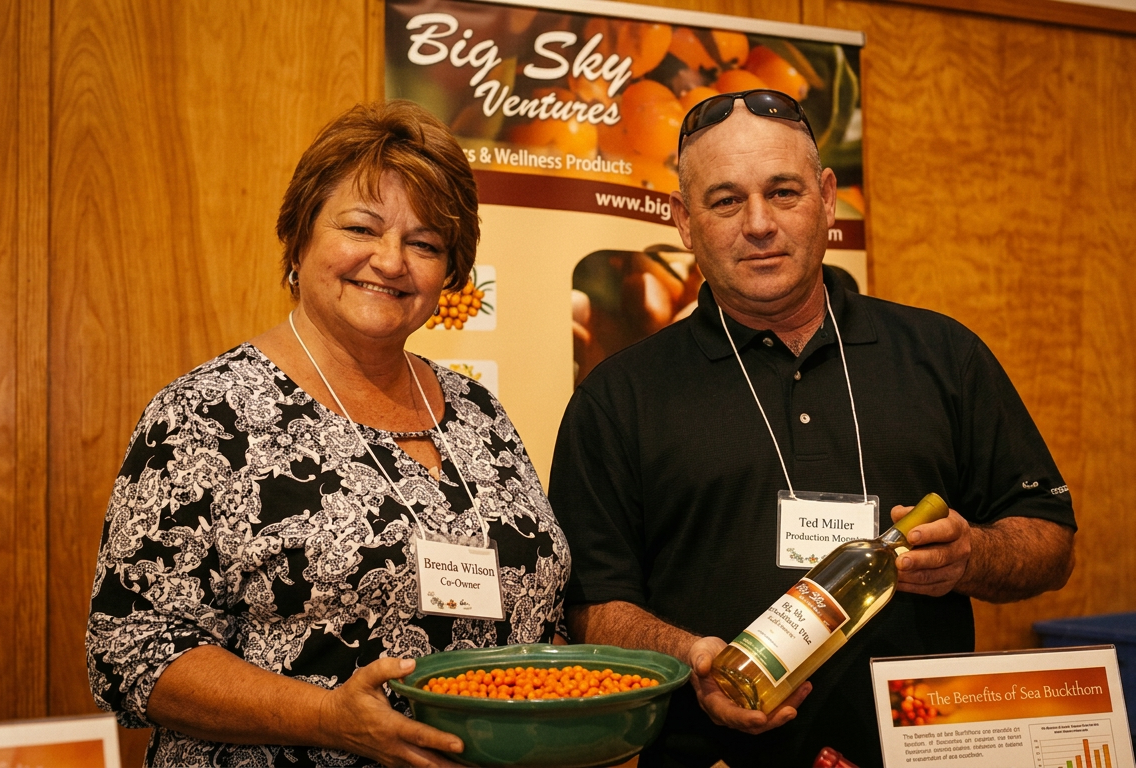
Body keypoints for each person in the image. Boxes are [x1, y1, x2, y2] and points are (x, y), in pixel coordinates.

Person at [549, 89, 1076, 767]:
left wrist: (973, 555)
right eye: (726, 200)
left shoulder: (943, 355)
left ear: (828, 198)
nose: (760, 224)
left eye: (784, 192)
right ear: (683, 220)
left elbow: (1051, 539)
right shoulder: (617, 396)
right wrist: (694, 660)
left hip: (931, 745)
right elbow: (592, 607)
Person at [87, 101, 571, 768]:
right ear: (300, 237)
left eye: (425, 243)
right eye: (361, 228)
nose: (392, 261)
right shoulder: (206, 414)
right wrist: (328, 719)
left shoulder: (478, 412)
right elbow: (132, 652)